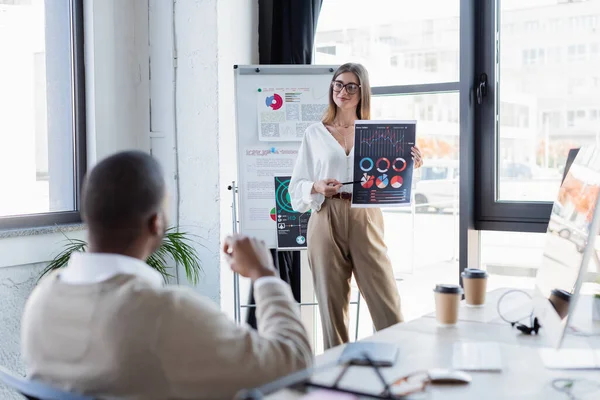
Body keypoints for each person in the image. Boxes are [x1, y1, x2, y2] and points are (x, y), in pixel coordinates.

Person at [21, 151, 312, 400]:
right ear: (156, 223)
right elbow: (294, 365)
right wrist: (265, 275)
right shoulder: (165, 313)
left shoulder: (42, 299)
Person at [289, 63, 424, 349]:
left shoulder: (379, 132)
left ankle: (397, 369)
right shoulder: (315, 133)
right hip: (326, 216)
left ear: (362, 92)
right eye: (338, 84)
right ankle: (338, 379)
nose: (343, 91)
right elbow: (296, 185)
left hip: (366, 214)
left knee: (386, 301)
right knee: (331, 308)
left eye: (351, 86)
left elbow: (394, 182)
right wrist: (316, 187)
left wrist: (411, 164)